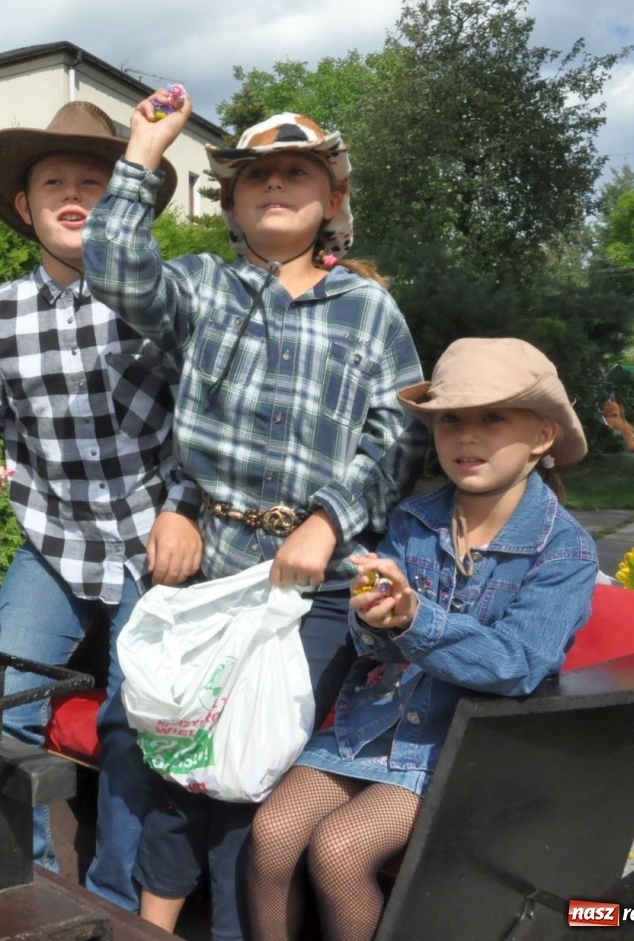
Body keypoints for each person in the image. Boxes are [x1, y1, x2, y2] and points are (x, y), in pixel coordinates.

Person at [82, 101, 429, 939]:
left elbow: (400, 435)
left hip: (316, 588)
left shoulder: (368, 309)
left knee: (258, 773)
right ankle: (152, 926)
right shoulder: (202, 288)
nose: (275, 184)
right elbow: (116, 271)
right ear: (232, 203)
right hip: (211, 570)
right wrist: (143, 151)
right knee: (177, 757)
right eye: (256, 176)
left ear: (332, 200)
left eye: (297, 172)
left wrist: (329, 520)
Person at [246, 338, 598, 941]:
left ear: (542, 436)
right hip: (373, 721)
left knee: (340, 850)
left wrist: (416, 620)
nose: (467, 435)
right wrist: (374, 616)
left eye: (493, 418)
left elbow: (519, 663)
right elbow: (373, 646)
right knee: (271, 836)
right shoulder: (414, 520)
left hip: (461, 748)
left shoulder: (564, 550)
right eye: (451, 420)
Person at [0, 101, 204, 909]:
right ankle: (23, 889)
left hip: (155, 535)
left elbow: (204, 417)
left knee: (139, 720)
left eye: (94, 184)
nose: (73, 197)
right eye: (54, 183)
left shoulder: (164, 299)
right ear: (25, 205)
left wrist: (184, 505)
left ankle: (113, 905)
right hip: (54, 537)